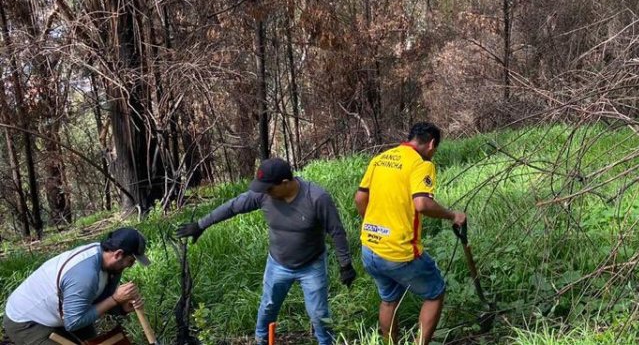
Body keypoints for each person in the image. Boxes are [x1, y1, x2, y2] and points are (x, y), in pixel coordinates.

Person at [175, 158, 354, 345]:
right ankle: (261, 340)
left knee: (319, 314)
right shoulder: (264, 195)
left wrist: (345, 264)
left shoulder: (316, 198)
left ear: (285, 183)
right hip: (278, 264)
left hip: (311, 265)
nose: (264, 192)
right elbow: (233, 206)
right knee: (268, 307)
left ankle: (326, 342)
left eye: (269, 188)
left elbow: (336, 231)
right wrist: (200, 225)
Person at [355, 122, 466, 345]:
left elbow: (359, 199)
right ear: (432, 144)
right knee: (435, 292)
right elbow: (422, 203)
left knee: (388, 300)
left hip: (370, 248)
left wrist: (375, 223)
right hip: (399, 253)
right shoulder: (420, 164)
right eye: (435, 149)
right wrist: (453, 215)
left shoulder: (381, 158)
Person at [3, 227, 150, 345]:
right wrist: (115, 299)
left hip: (64, 312)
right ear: (118, 254)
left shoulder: (111, 267)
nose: (130, 266)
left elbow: (101, 300)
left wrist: (120, 308)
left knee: (93, 340)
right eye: (131, 261)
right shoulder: (85, 275)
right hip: (27, 321)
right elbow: (73, 322)